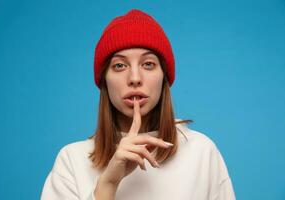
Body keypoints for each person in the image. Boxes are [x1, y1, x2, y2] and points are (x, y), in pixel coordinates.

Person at [41, 9, 236, 200]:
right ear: (104, 82)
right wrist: (106, 186)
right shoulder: (72, 161)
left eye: (148, 64)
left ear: (164, 77)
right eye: (119, 66)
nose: (134, 78)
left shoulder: (201, 151)